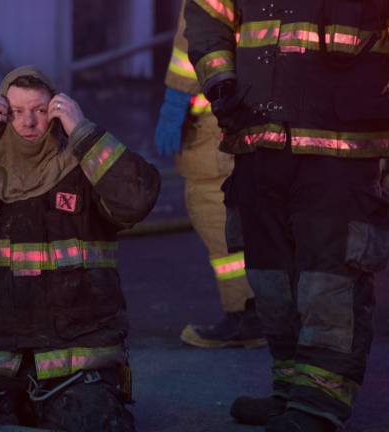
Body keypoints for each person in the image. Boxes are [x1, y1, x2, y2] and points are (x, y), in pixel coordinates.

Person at [183, 1, 389, 431]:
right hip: (257, 139)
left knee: (331, 276)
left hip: (340, 148)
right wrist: (220, 82)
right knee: (271, 276)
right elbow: (207, 13)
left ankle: (320, 401)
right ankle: (290, 389)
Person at [0, 65, 160, 432]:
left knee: (97, 424)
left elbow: (137, 198)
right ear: (0, 114)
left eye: (39, 110)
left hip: (70, 359)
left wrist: (83, 132)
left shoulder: (84, 170)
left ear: (56, 112)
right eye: (16, 112)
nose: (28, 123)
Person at [154, 0, 264, 349]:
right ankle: (272, 311)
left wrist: (176, 97)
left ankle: (248, 313)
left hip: (217, 119)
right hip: (257, 114)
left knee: (215, 210)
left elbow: (196, 43)